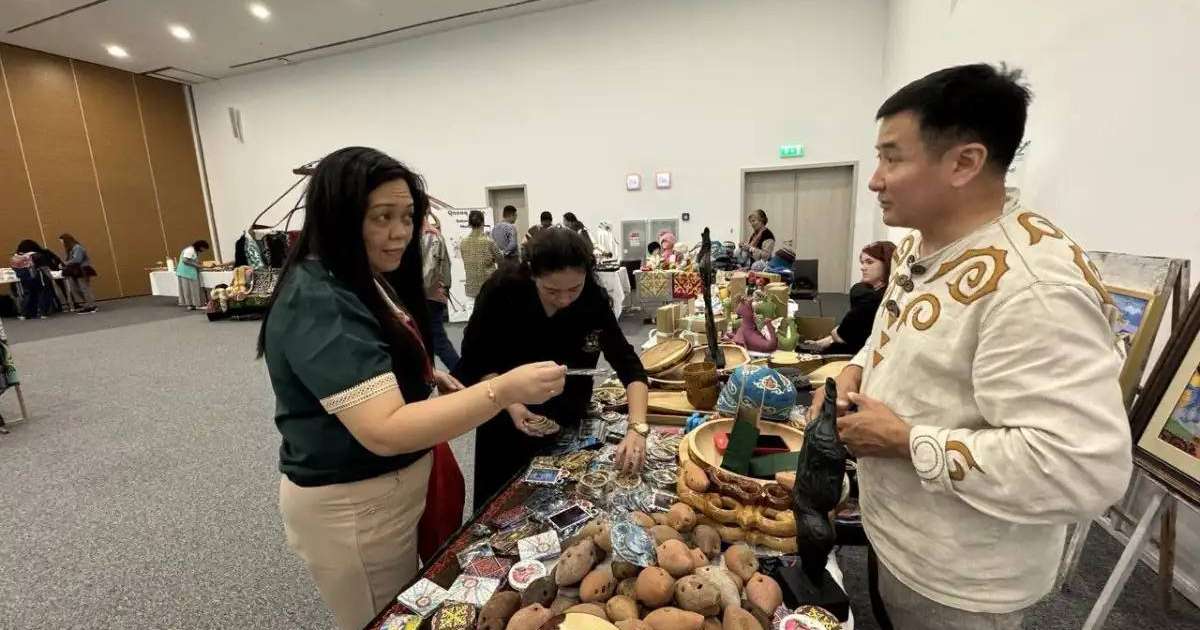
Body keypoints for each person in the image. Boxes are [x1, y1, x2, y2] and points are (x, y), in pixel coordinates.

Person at [813, 64, 1130, 629]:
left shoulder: (1034, 288)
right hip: (898, 538)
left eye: (893, 157)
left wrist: (907, 440)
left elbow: (1083, 467)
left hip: (963, 579)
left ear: (964, 162)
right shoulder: (922, 242)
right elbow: (893, 335)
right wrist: (855, 373)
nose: (875, 179)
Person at [258, 146, 565, 630]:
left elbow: (378, 355)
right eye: (382, 217)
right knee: (384, 617)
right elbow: (385, 429)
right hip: (356, 502)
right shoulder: (321, 299)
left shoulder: (361, 276)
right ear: (339, 215)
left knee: (408, 600)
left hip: (388, 490)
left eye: (407, 216)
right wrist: (502, 390)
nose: (400, 232)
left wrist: (420, 375)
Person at [456, 227, 649, 511]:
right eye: (551, 290)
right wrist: (512, 404)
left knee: (567, 512)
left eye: (574, 288)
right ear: (533, 274)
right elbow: (476, 358)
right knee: (501, 513)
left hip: (566, 425)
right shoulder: (502, 292)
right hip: (505, 424)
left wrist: (637, 429)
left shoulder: (592, 300)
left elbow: (630, 367)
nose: (565, 299)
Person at [806, 241, 896, 355]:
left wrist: (835, 333)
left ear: (887, 264)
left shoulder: (871, 299)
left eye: (869, 262)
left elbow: (841, 336)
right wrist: (819, 343)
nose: (863, 268)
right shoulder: (878, 291)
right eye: (862, 262)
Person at [417, 212, 459, 370]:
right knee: (424, 340)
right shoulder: (426, 233)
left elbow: (428, 272)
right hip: (428, 295)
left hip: (428, 296)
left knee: (438, 341)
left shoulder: (429, 235)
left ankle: (461, 374)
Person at [460, 210, 502, 298]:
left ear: (469, 224)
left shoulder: (463, 243)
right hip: (488, 288)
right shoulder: (489, 241)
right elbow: (501, 260)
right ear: (483, 222)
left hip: (471, 288)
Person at [58, 234, 98, 313]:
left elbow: (77, 260)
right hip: (75, 271)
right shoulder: (71, 249)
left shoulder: (77, 248)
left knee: (84, 288)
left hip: (82, 270)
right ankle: (88, 303)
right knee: (75, 289)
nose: (62, 243)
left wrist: (65, 263)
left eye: (62, 241)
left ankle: (92, 305)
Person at [176, 240, 210, 310]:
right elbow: (185, 260)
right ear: (200, 246)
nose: (203, 250)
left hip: (186, 272)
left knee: (188, 289)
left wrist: (197, 263)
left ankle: (191, 305)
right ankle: (196, 304)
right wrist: (197, 265)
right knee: (192, 289)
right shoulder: (190, 250)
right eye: (203, 249)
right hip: (187, 272)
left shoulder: (193, 250)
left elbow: (191, 260)